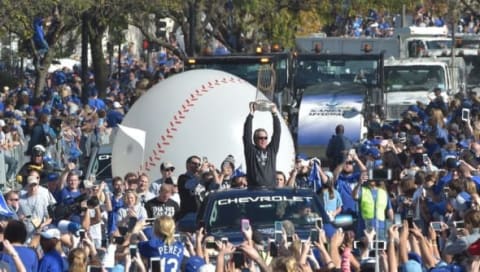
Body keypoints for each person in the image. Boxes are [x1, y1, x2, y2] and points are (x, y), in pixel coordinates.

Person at [243, 102, 281, 188]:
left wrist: (274, 114)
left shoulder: (272, 150)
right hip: (254, 190)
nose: (263, 140)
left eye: (265, 138)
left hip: (271, 190)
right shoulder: (251, 151)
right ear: (255, 139)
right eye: (260, 138)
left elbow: (277, 133)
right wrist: (251, 114)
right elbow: (247, 134)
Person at [353, 175, 394, 240]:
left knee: (381, 249)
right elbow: (354, 196)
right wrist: (359, 183)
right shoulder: (362, 190)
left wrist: (392, 223)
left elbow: (389, 210)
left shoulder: (383, 192)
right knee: (365, 248)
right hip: (364, 227)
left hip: (381, 228)